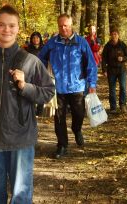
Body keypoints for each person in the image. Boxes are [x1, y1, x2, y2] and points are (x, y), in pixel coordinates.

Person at [0, 5, 55, 203]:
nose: (7, 30)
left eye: (11, 26)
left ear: (18, 29)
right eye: (2, 25)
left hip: (21, 139)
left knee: (21, 196)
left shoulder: (31, 61)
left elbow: (48, 92)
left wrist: (25, 86)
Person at [38, 13, 98, 159]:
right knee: (59, 118)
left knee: (79, 114)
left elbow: (91, 64)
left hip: (77, 86)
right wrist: (45, 76)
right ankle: (62, 145)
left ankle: (77, 129)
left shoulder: (81, 42)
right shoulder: (52, 43)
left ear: (71, 26)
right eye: (60, 26)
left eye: (66, 25)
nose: (63, 28)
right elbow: (40, 58)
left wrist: (92, 83)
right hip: (58, 88)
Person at [101, 28, 127, 113]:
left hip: (121, 69)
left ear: (118, 35)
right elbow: (103, 59)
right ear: (110, 36)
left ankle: (123, 105)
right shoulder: (107, 46)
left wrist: (123, 58)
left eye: (115, 34)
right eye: (112, 34)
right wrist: (104, 70)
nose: (114, 36)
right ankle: (113, 107)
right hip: (111, 70)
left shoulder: (122, 45)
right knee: (112, 89)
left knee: (123, 87)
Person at [26, 31, 45, 116]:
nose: (35, 39)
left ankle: (40, 111)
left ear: (40, 39)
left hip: (42, 72)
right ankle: (32, 110)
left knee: (41, 91)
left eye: (37, 38)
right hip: (31, 72)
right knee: (32, 91)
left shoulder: (44, 48)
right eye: (33, 38)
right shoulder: (27, 49)